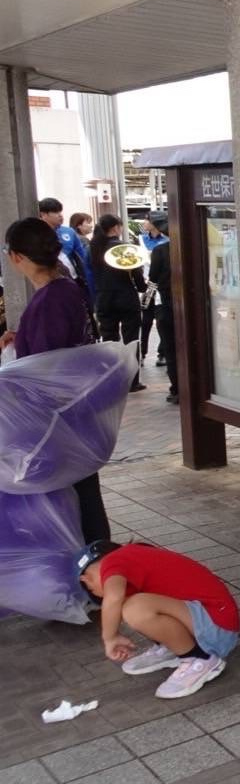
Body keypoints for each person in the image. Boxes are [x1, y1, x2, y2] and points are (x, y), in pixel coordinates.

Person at [2, 218, 110, 544]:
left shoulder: (50, 300)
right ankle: (97, 558)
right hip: (75, 413)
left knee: (72, 498)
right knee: (82, 491)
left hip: (55, 420)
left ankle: (92, 561)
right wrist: (21, 338)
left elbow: (45, 369)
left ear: (17, 256)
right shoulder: (66, 288)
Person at [76, 540, 239, 700]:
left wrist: (110, 638)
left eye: (91, 590)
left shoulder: (114, 561)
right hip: (214, 623)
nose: (97, 593)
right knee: (127, 604)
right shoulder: (134, 556)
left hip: (217, 627)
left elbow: (113, 597)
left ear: (86, 579)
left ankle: (200, 658)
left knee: (134, 608)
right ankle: (174, 647)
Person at [90, 214, 146, 392]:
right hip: (125, 297)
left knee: (109, 340)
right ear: (115, 228)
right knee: (131, 339)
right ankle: (132, 381)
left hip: (103, 298)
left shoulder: (94, 248)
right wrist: (142, 287)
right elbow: (136, 272)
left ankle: (112, 380)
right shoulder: (123, 247)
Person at [147, 215, 179, 403]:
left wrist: (145, 304)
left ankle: (177, 389)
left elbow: (152, 280)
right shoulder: (194, 248)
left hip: (166, 306)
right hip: (191, 307)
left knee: (171, 349)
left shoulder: (160, 251)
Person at [138, 213, 169, 366]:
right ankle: (141, 353)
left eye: (147, 220)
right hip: (148, 285)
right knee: (145, 320)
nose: (144, 222)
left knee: (162, 320)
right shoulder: (141, 239)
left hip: (162, 285)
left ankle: (162, 353)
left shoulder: (167, 240)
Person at [38, 198, 88, 287]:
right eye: (56, 212)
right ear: (43, 214)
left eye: (60, 212)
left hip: (73, 280)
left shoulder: (69, 232)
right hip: (49, 282)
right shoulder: (36, 235)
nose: (60, 215)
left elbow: (82, 257)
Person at [67, 212, 97, 302]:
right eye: (88, 223)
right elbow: (85, 260)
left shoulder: (74, 238)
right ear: (78, 225)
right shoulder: (82, 240)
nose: (91, 226)